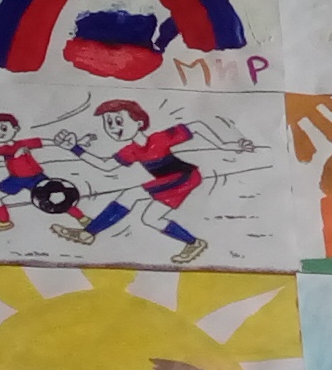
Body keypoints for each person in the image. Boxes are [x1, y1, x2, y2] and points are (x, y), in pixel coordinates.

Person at [49, 99, 253, 265]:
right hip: (171, 183)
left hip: (184, 176)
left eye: (118, 121)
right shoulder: (130, 151)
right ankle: (194, 243)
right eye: (109, 123)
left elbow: (197, 127)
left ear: (139, 123)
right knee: (151, 219)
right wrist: (74, 148)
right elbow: (106, 165)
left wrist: (225, 145)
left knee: (130, 195)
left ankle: (88, 233)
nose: (114, 128)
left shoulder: (158, 139)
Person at [0, 113, 85, 232]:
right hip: (15, 179)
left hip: (36, 177)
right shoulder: (3, 149)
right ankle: (4, 222)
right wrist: (13, 155)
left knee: (57, 197)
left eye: (4, 128)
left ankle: (82, 218)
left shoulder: (23, 143)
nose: (0, 133)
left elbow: (43, 142)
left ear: (15, 129)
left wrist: (69, 145)